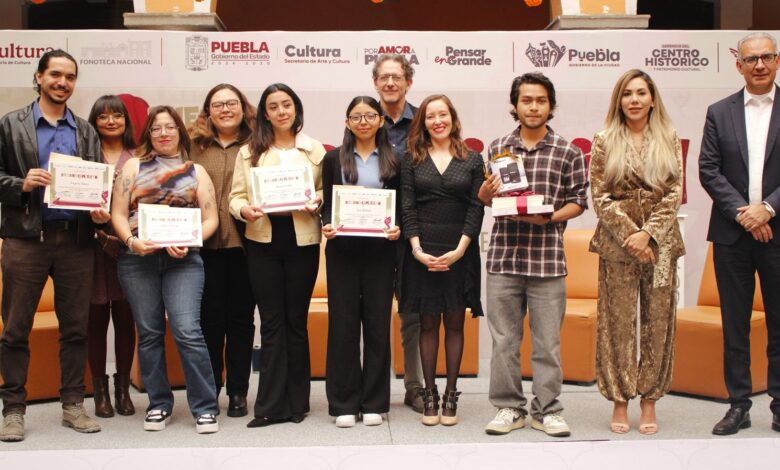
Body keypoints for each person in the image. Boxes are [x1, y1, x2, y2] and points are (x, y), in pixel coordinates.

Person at [0, 49, 109, 442]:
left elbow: (99, 183)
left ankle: (73, 404)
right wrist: (21, 184)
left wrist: (100, 209)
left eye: (70, 77)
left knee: (75, 329)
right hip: (26, 240)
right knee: (15, 330)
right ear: (39, 77)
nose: (63, 82)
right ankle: (13, 409)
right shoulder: (11, 124)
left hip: (76, 242)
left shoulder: (85, 131)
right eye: (56, 75)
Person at [479, 72, 588, 438]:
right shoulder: (497, 148)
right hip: (504, 259)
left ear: (550, 105)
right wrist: (484, 194)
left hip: (547, 261)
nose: (533, 107)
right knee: (503, 342)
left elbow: (578, 201)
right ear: (515, 105)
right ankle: (509, 407)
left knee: (547, 344)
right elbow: (489, 198)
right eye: (526, 100)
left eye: (541, 100)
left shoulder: (568, 151)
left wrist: (550, 217)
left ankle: (547, 410)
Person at [111, 105, 220, 434]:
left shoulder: (196, 171)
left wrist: (190, 239)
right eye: (156, 128)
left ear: (179, 131)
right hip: (137, 260)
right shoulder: (133, 165)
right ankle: (158, 404)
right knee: (149, 333)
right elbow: (118, 213)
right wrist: (131, 241)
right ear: (148, 133)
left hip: (183, 261)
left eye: (170, 127)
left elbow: (211, 218)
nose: (163, 133)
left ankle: (205, 407)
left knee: (188, 331)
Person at [589, 69, 684, 435]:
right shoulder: (604, 139)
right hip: (618, 246)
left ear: (652, 99)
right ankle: (619, 399)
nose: (634, 100)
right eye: (627, 93)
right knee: (618, 324)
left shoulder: (669, 136)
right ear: (619, 100)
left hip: (661, 246)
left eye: (641, 93)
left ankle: (649, 400)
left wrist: (648, 235)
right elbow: (600, 195)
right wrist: (631, 234)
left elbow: (674, 193)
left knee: (658, 323)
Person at [229, 83, 325, 428]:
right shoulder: (249, 151)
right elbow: (235, 197)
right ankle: (270, 406)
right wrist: (245, 211)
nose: (281, 111)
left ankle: (298, 403)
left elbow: (323, 189)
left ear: (296, 108)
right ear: (265, 114)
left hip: (302, 239)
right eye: (273, 106)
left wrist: (318, 199)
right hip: (263, 239)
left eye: (287, 104)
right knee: (271, 322)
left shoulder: (314, 150)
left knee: (295, 321)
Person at [700, 32, 780, 436]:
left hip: (778, 232)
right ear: (739, 65)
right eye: (751, 59)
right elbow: (708, 169)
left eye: (766, 57)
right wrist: (744, 214)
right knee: (735, 324)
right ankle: (738, 405)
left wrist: (768, 208)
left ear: (777, 61)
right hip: (732, 236)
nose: (759, 65)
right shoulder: (719, 112)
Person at [400, 94, 484, 426]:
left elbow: (476, 207)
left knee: (455, 323)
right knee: (427, 324)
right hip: (423, 251)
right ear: (423, 122)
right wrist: (417, 251)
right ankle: (430, 394)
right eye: (431, 116)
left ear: (453, 118)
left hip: (459, 250)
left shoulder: (472, 158)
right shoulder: (411, 158)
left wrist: (461, 249)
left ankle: (451, 394)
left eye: (443, 114)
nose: (438, 121)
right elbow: (407, 207)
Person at [321, 96, 401, 428]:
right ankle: (343, 402)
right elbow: (327, 203)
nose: (363, 122)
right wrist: (327, 223)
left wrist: (398, 227)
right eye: (356, 116)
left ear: (381, 120)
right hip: (342, 252)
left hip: (381, 253)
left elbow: (400, 204)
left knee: (378, 326)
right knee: (343, 326)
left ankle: (374, 402)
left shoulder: (394, 159)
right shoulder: (332, 158)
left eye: (370, 116)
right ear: (347, 122)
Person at [189, 84, 257, 418]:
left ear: (243, 108)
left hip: (247, 246)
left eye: (232, 103)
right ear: (208, 111)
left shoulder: (258, 144)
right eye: (218, 105)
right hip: (203, 247)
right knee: (209, 322)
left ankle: (239, 391)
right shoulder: (193, 146)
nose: (225, 109)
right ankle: (212, 388)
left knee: (242, 321)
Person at [372, 53, 424, 412]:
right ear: (376, 83)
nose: (390, 83)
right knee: (373, 312)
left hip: (412, 230)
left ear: (408, 82)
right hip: (370, 230)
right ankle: (373, 387)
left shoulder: (424, 121)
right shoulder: (363, 117)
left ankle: (414, 385)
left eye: (397, 77)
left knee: (412, 311)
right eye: (384, 77)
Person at [86, 95, 138, 419]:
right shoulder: (84, 158)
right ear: (94, 122)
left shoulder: (139, 157)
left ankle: (122, 389)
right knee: (94, 320)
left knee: (125, 318)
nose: (110, 121)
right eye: (103, 116)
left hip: (128, 247)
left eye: (117, 115)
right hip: (91, 247)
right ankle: (100, 391)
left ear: (125, 121)